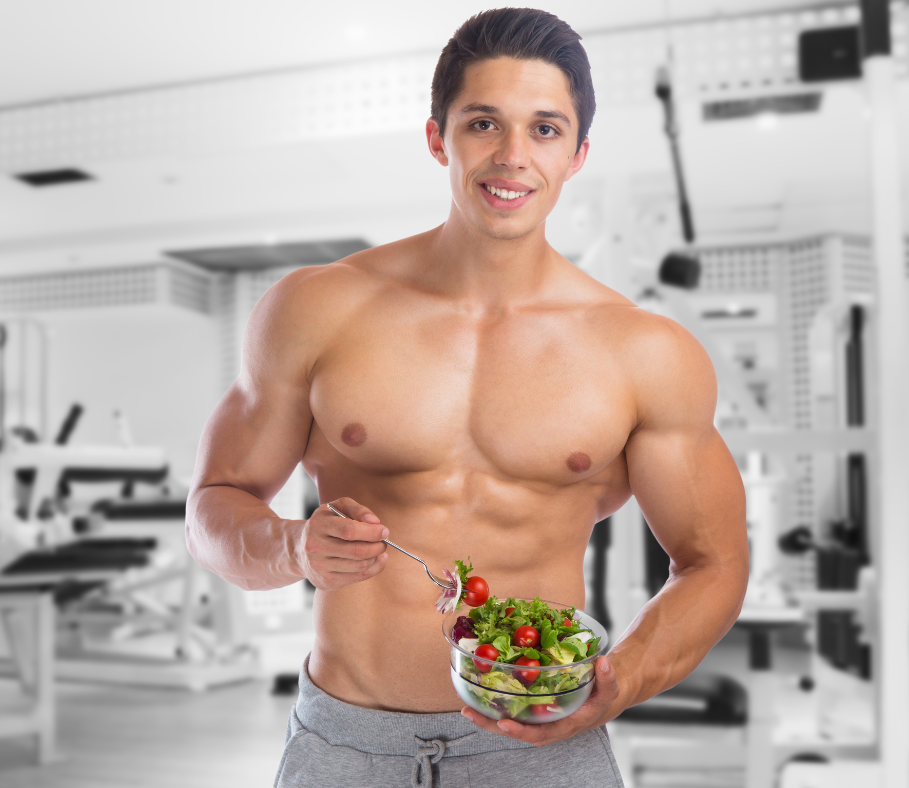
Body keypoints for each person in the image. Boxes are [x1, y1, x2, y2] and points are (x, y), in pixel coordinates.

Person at [186, 8, 749, 788]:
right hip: (345, 746)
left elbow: (714, 560)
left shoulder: (644, 352)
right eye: (484, 122)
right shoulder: (316, 310)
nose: (513, 157)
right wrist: (289, 548)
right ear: (436, 136)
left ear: (578, 153)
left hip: (543, 744)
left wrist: (623, 679)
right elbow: (214, 505)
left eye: (546, 130)